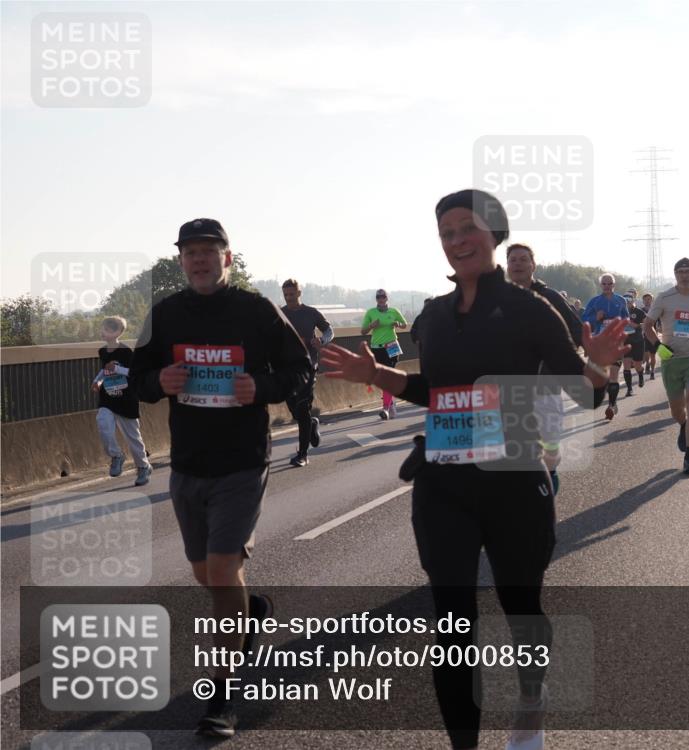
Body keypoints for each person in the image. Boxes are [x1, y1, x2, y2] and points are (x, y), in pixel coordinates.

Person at [321, 189, 627, 750]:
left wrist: (600, 367)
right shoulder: (432, 316)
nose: (457, 240)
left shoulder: (529, 308)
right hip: (443, 484)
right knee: (452, 621)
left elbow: (578, 390)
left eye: (468, 229)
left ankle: (530, 700)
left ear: (494, 234)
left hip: (514, 480)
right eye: (447, 233)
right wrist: (377, 375)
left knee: (520, 605)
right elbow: (432, 392)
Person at [130, 218, 312, 738]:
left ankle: (224, 693)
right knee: (206, 577)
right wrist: (155, 382)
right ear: (182, 261)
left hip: (241, 460)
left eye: (210, 251)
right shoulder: (164, 315)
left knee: (223, 567)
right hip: (188, 462)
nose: (200, 260)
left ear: (228, 258)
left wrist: (262, 386)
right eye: (191, 253)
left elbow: (301, 369)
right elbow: (134, 379)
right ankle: (250, 610)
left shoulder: (256, 310)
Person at [506, 243, 584, 495]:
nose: (517, 263)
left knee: (549, 447)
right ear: (507, 266)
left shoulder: (550, 298)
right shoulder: (496, 298)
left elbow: (576, 331)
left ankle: (548, 478)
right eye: (512, 260)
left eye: (523, 259)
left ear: (533, 266)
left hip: (546, 383)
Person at [642, 258, 689, 475]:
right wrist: (658, 346)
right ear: (675, 274)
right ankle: (683, 424)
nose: (684, 275)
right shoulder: (665, 298)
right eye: (680, 271)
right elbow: (647, 325)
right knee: (677, 409)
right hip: (672, 360)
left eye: (688, 271)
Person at [91, 315, 152, 486]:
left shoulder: (126, 352)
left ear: (118, 332)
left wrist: (116, 368)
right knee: (102, 424)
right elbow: (104, 370)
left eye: (108, 329)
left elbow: (134, 372)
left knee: (133, 437)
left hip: (126, 400)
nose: (103, 332)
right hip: (108, 398)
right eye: (103, 328)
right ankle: (116, 455)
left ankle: (143, 467)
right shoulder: (102, 351)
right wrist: (97, 381)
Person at [280, 279, 333, 467]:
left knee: (302, 409)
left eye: (292, 294)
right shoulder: (280, 313)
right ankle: (311, 424)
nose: (289, 298)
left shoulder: (310, 313)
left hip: (308, 367)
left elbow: (329, 330)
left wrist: (323, 341)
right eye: (286, 295)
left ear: (299, 293)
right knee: (296, 411)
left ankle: (302, 454)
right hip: (286, 369)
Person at [582, 274, 629, 420]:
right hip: (599, 343)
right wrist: (595, 318)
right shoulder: (594, 302)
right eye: (604, 284)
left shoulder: (621, 300)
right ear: (600, 285)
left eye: (610, 284)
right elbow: (584, 319)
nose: (607, 286)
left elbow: (626, 319)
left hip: (615, 343)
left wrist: (622, 326)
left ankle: (612, 405)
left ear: (614, 285)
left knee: (614, 374)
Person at [361, 289, 408, 419]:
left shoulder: (394, 311)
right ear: (376, 299)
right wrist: (371, 325)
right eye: (378, 297)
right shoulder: (371, 312)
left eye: (383, 296)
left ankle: (385, 408)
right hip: (377, 348)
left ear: (387, 298)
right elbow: (363, 331)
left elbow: (405, 324)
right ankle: (390, 402)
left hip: (392, 346)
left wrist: (398, 324)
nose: (381, 299)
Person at [623, 293, 647, 396]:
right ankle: (629, 389)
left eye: (629, 300)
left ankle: (640, 374)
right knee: (626, 365)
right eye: (625, 301)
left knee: (638, 366)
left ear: (633, 300)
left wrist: (635, 325)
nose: (627, 302)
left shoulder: (639, 312)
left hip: (638, 341)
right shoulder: (621, 312)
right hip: (625, 342)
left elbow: (646, 324)